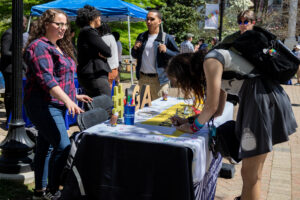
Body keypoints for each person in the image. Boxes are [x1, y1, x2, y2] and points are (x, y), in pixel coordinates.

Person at [168, 10, 298, 200]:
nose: (182, 86)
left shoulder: (211, 61)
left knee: (250, 174)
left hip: (260, 100)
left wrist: (193, 127)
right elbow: (218, 110)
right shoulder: (214, 63)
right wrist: (188, 120)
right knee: (251, 173)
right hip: (261, 99)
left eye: (179, 81)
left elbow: (211, 107)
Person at [23, 9, 92, 200]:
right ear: (46, 24)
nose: (62, 28)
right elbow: (46, 80)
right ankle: (53, 191)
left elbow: (62, 79)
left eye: (64, 24)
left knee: (46, 148)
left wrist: (74, 97)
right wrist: (68, 100)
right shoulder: (39, 46)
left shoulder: (60, 46)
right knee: (63, 146)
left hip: (57, 102)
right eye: (58, 24)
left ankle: (40, 192)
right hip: (43, 104)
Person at [131, 9, 179, 100]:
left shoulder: (166, 38)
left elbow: (177, 56)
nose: (148, 22)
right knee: (143, 109)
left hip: (159, 80)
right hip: (143, 78)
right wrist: (134, 48)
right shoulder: (141, 36)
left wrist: (167, 51)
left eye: (152, 19)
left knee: (159, 109)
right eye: (147, 19)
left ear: (159, 21)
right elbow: (134, 55)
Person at [76, 5, 112, 98]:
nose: (100, 18)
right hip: (95, 75)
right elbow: (107, 51)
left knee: (93, 106)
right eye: (99, 16)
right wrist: (101, 53)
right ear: (93, 18)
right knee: (105, 105)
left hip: (88, 75)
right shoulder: (89, 31)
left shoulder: (84, 31)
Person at [0, 16, 28, 124]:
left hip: (18, 68)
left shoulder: (18, 35)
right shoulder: (9, 33)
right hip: (9, 69)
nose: (25, 26)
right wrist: (19, 52)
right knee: (10, 94)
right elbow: (5, 52)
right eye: (24, 23)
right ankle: (9, 117)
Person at [98, 23, 119, 89]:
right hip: (114, 68)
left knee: (105, 89)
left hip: (108, 69)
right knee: (109, 88)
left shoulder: (105, 38)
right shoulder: (111, 37)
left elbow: (103, 53)